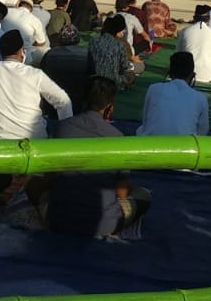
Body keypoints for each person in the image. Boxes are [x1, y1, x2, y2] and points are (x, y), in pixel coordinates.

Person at [41, 77, 152, 239]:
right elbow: (121, 194)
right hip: (102, 225)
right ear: (109, 108)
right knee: (143, 195)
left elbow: (49, 178)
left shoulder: (60, 128)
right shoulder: (118, 139)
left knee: (34, 186)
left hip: (58, 220)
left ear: (83, 100)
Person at [0, 30, 74, 140]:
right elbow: (63, 100)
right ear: (21, 51)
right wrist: (65, 133)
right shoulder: (35, 74)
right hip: (35, 137)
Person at [137, 51, 209, 136]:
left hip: (151, 144)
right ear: (192, 75)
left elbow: (145, 121)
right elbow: (203, 131)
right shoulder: (200, 98)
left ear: (170, 73)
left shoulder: (154, 89)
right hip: (184, 147)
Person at [88, 16, 138, 90]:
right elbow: (125, 66)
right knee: (132, 73)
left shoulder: (93, 41)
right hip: (112, 81)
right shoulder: (120, 44)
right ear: (117, 30)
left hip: (93, 80)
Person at [177, 4, 211, 83]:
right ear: (208, 19)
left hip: (185, 74)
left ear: (194, 17)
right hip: (207, 76)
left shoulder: (184, 32)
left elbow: (178, 54)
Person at [2, 0, 49, 66]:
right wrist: (31, 44)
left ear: (19, 5)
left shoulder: (7, 12)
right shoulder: (34, 19)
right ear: (31, 9)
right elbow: (41, 42)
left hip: (2, 54)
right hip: (24, 58)